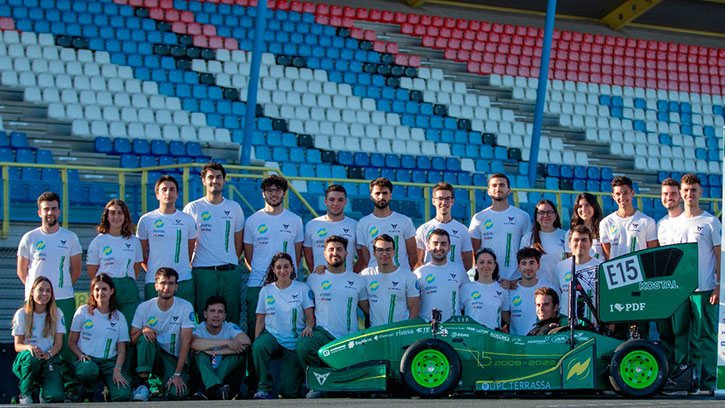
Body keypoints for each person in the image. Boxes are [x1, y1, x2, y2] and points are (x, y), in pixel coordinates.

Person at [17, 192, 82, 378]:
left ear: (59, 211)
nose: (50, 213)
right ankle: (33, 382)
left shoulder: (70, 237)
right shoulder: (29, 238)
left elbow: (76, 270)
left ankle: (69, 384)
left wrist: (57, 290)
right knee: (36, 342)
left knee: (65, 343)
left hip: (63, 298)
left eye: (54, 208)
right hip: (36, 302)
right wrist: (39, 294)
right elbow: (22, 272)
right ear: (39, 212)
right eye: (46, 209)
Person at [298, 236, 369, 398]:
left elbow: (367, 309)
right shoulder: (314, 278)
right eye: (331, 249)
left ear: (346, 254)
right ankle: (317, 385)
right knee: (304, 346)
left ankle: (349, 384)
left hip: (349, 338)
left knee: (353, 390)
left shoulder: (357, 280)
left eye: (339, 249)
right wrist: (309, 326)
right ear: (324, 254)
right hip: (323, 334)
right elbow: (308, 308)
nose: (335, 253)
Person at [669, 174, 721, 394]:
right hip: (680, 290)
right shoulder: (674, 223)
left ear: (700, 192)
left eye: (693, 190)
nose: (689, 194)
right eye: (686, 190)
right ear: (681, 194)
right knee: (681, 335)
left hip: (705, 289)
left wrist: (719, 285)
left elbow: (719, 256)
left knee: (704, 335)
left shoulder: (711, 222)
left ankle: (707, 381)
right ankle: (683, 379)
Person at [243, 175, 303, 341]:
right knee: (255, 329)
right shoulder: (252, 221)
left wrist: (284, 276)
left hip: (287, 285)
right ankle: (254, 359)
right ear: (263, 193)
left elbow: (297, 255)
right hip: (258, 284)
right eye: (269, 190)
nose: (274, 194)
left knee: (286, 330)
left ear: (284, 193)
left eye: (278, 190)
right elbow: (248, 256)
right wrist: (262, 273)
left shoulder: (295, 221)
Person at [183, 162, 245, 322]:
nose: (215, 181)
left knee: (231, 317)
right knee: (203, 317)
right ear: (204, 180)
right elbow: (187, 242)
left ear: (224, 180)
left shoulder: (234, 207)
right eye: (210, 177)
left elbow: (239, 243)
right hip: (203, 272)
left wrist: (227, 259)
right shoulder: (193, 208)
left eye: (218, 177)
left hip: (229, 271)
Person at [599, 176, 658, 339]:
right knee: (618, 333)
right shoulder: (606, 223)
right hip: (617, 285)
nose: (622, 197)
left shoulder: (647, 222)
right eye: (618, 194)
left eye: (625, 193)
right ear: (613, 196)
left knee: (641, 332)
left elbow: (653, 254)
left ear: (632, 193)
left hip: (640, 284)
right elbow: (608, 255)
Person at [252, 253, 314, 399]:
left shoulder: (302, 288)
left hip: (293, 341)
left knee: (289, 392)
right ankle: (263, 388)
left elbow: (310, 318)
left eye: (286, 267)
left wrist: (308, 327)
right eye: (278, 267)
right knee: (259, 346)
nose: (282, 271)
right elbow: (260, 319)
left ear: (292, 268)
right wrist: (257, 342)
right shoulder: (266, 290)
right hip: (273, 337)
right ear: (273, 269)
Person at [130, 267, 195, 401]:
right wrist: (143, 330)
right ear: (156, 286)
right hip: (154, 355)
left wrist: (177, 374)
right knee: (145, 337)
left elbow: (186, 342)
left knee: (177, 393)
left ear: (176, 287)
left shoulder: (185, 307)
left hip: (172, 358)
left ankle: (161, 386)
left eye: (171, 283)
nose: (166, 287)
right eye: (163, 283)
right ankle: (143, 385)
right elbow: (132, 339)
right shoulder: (144, 307)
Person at [68, 274, 131, 402]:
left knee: (123, 395)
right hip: (88, 360)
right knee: (87, 370)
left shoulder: (119, 317)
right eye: (97, 289)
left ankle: (109, 391)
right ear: (92, 291)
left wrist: (117, 369)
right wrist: (81, 355)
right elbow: (71, 342)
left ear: (111, 291)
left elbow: (121, 350)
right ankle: (87, 392)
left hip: (109, 363)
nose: (100, 293)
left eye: (104, 289)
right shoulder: (83, 312)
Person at [137, 175, 197, 303]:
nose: (168, 193)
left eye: (172, 189)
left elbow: (190, 251)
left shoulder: (187, 220)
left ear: (177, 194)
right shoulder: (146, 220)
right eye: (164, 189)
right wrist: (156, 271)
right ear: (157, 194)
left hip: (183, 280)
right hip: (155, 281)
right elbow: (141, 254)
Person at [87, 199, 143, 327]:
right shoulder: (98, 241)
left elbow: (136, 267)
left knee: (129, 326)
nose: (116, 217)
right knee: (106, 326)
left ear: (125, 216)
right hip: (106, 287)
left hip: (128, 289)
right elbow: (92, 272)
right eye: (112, 213)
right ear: (106, 216)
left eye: (120, 213)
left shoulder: (134, 241)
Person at [12, 276, 65, 404]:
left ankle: (45, 392)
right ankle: (25, 393)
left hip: (48, 359)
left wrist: (48, 354)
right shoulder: (22, 314)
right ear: (32, 292)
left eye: (48, 291)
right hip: (28, 359)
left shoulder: (57, 313)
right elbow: (17, 345)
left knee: (55, 397)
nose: (44, 294)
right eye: (40, 290)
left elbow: (58, 344)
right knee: (32, 359)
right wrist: (30, 348)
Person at [469, 174, 531, 282]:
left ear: (509, 190)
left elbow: (527, 250)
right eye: (494, 185)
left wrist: (519, 278)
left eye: (502, 185)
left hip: (515, 279)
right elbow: (474, 252)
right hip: (488, 279)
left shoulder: (522, 216)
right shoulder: (479, 218)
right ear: (488, 191)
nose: (498, 188)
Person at [190, 296, 251, 400]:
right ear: (205, 314)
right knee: (200, 354)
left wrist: (215, 352)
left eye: (220, 312)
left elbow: (246, 342)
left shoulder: (229, 327)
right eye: (212, 311)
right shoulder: (199, 328)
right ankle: (214, 388)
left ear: (225, 316)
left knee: (238, 353)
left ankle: (211, 389)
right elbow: (194, 343)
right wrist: (227, 342)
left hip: (226, 378)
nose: (216, 315)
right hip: (201, 377)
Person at [655, 178, 686, 369]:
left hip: (683, 286)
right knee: (665, 333)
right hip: (664, 287)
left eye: (673, 193)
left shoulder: (687, 221)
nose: (669, 197)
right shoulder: (661, 224)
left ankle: (682, 372)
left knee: (682, 333)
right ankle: (668, 371)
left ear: (680, 196)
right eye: (665, 194)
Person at [356, 177, 416, 270]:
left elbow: (413, 256)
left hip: (399, 276)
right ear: (371, 196)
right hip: (375, 277)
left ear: (390, 195)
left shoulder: (404, 221)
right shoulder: (363, 223)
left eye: (385, 193)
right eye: (377, 193)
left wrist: (401, 273)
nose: (381, 197)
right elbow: (365, 257)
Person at [360, 234, 420, 327]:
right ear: (374, 253)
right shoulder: (365, 275)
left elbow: (414, 310)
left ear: (394, 252)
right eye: (380, 250)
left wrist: (407, 331)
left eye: (388, 250)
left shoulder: (408, 277)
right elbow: (363, 304)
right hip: (376, 331)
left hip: (399, 332)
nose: (384, 254)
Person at [414, 182, 473, 274]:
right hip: (430, 279)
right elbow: (416, 261)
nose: (444, 202)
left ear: (452, 201)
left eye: (447, 199)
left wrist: (453, 276)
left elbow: (468, 263)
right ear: (433, 201)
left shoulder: (462, 230)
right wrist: (428, 275)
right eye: (440, 198)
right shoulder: (423, 229)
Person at [413, 229, 469, 322]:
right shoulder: (419, 273)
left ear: (449, 247)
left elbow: (466, 301)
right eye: (435, 243)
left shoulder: (459, 271)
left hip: (453, 326)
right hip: (426, 326)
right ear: (428, 247)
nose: (439, 247)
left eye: (443, 244)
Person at [303, 185, 360, 273]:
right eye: (332, 199)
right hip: (320, 278)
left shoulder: (355, 226)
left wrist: (352, 275)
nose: (336, 204)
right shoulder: (312, 225)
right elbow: (308, 256)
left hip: (346, 279)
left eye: (340, 200)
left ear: (345, 202)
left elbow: (362, 257)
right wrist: (316, 274)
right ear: (325, 201)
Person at [554, 225, 601, 325]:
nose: (580, 244)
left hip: (592, 325)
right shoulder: (560, 267)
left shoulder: (600, 267)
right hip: (566, 324)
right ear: (569, 244)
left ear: (591, 243)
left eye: (584, 240)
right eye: (576, 240)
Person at [508, 248, 557, 336]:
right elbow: (505, 315)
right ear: (518, 266)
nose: (528, 268)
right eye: (524, 263)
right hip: (517, 341)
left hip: (542, 340)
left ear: (538, 265)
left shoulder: (550, 288)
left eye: (531, 263)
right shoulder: (510, 290)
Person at [460, 249, 510, 330]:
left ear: (494, 266)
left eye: (489, 262)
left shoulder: (502, 289)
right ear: (476, 265)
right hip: (471, 335)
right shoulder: (465, 288)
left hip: (494, 335)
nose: (485, 266)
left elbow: (506, 317)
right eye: (481, 262)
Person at [520, 199, 566, 283]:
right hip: (535, 287)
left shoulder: (565, 236)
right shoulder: (528, 238)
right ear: (536, 217)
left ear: (555, 215)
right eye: (541, 212)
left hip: (559, 286)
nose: (545, 215)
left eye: (549, 212)